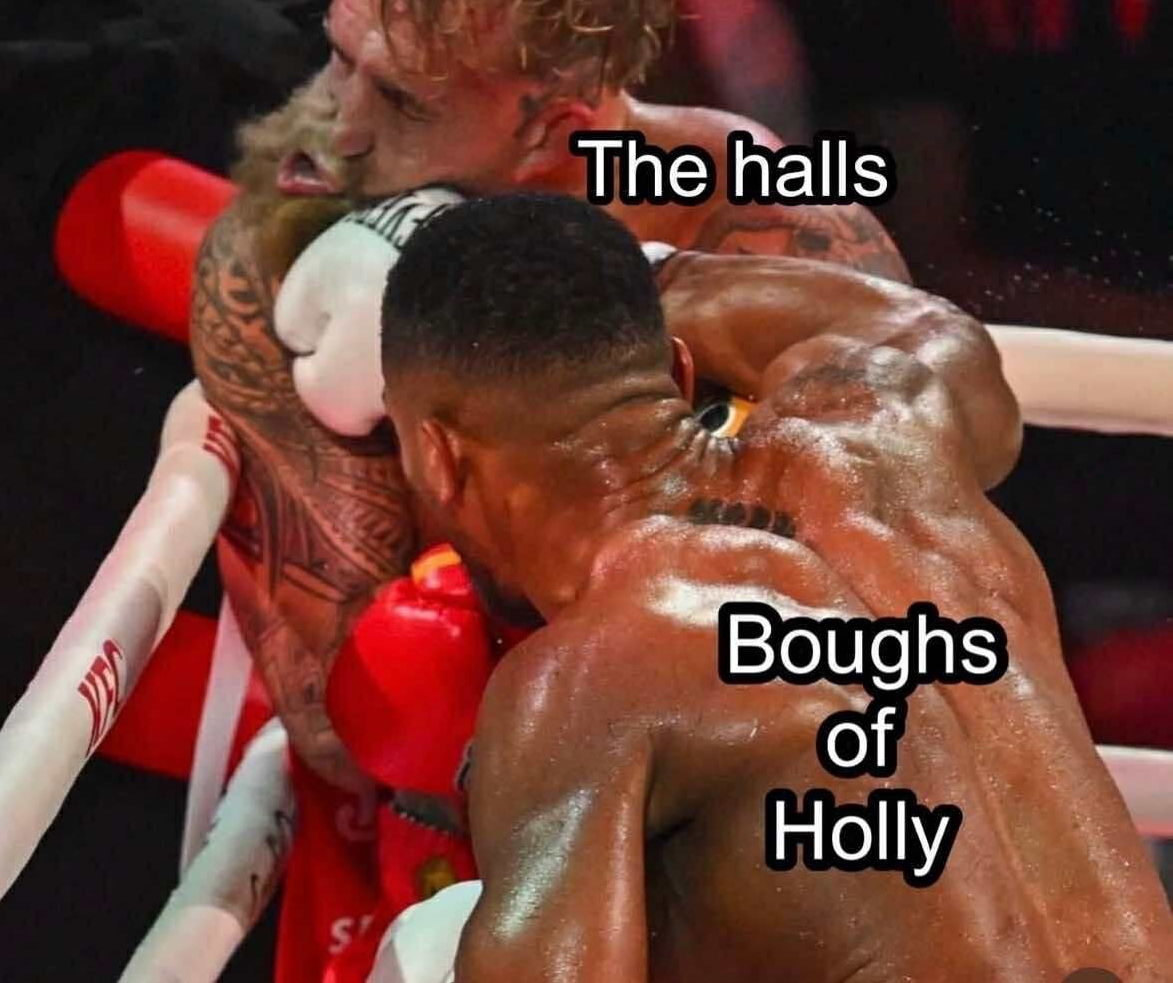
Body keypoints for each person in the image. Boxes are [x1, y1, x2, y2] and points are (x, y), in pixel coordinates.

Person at [188, 0, 907, 974]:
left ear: (561, 132)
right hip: (443, 862)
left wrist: (588, 322)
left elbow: (887, 621)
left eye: (401, 98)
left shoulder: (775, 230)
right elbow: (348, 707)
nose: (340, 125)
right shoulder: (282, 245)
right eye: (339, 58)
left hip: (751, 852)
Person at [375, 192, 1173, 982]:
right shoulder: (892, 447)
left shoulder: (585, 681)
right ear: (681, 371)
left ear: (437, 458)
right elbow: (939, 334)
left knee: (428, 946)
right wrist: (661, 275)